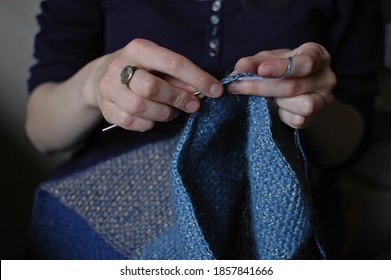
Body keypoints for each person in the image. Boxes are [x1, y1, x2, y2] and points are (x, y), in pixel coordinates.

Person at [25, 0, 383, 259]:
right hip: (107, 185)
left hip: (280, 191)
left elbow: (351, 144)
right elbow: (42, 132)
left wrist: (314, 106)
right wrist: (94, 83)